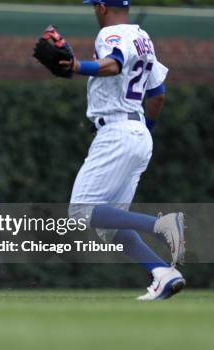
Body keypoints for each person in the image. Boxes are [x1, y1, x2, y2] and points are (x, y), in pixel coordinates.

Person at [63, 0, 185, 300]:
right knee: (111, 224)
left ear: (102, 7)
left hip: (116, 131)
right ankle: (162, 273)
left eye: (95, 5)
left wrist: (78, 66)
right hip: (137, 131)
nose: (94, 10)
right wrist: (144, 131)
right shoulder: (143, 38)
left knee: (80, 212)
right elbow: (157, 95)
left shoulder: (110, 34)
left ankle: (161, 225)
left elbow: (113, 64)